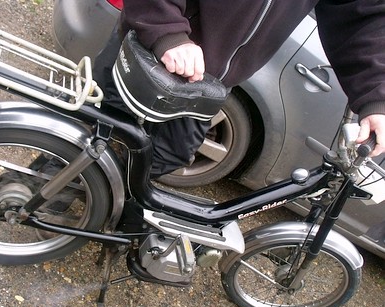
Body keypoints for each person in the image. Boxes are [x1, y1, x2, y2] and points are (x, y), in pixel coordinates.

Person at [94, 0, 385, 178]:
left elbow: (362, 19)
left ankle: (101, 198)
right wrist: (167, 31)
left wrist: (376, 99)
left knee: (170, 152)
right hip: (152, 56)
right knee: (97, 136)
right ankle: (55, 205)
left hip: (207, 82)